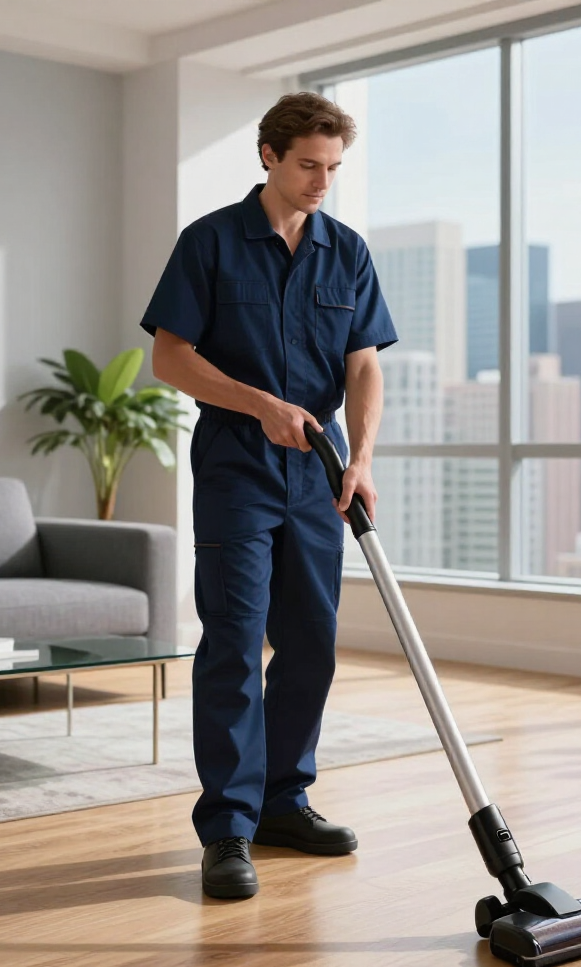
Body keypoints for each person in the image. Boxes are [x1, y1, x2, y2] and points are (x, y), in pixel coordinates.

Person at [142, 92, 397, 899]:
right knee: (234, 644)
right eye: (307, 166)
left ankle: (286, 801)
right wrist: (259, 404)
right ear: (268, 157)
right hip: (236, 468)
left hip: (317, 472)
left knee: (312, 643)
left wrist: (359, 459)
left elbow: (364, 366)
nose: (322, 181)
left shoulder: (346, 251)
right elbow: (170, 361)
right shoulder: (210, 242)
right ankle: (227, 826)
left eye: (333, 168)